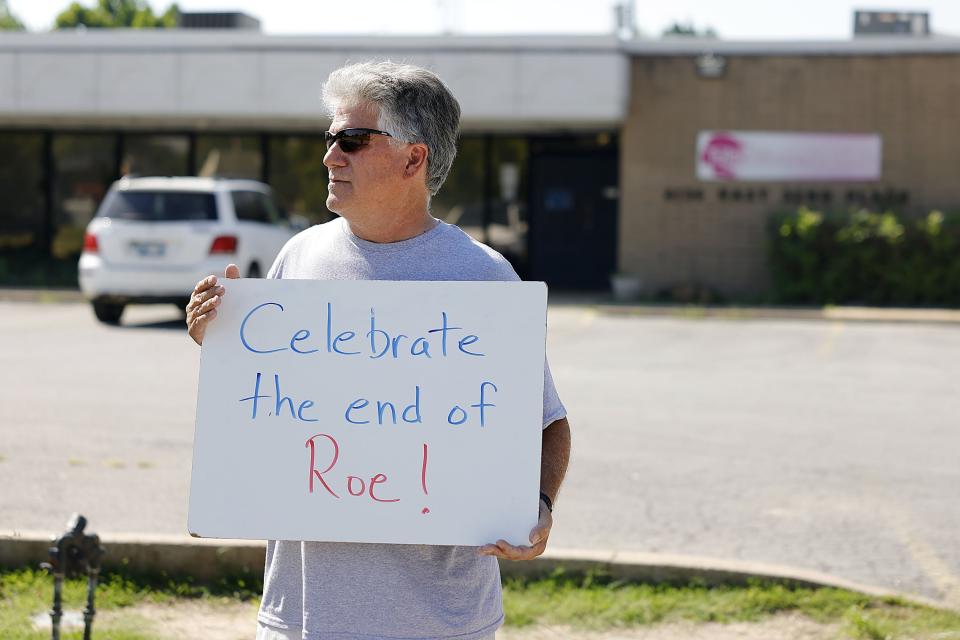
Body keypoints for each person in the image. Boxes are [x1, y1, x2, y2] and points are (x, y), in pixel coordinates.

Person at [185, 61, 571, 640]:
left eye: (353, 140)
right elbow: (270, 410)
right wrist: (220, 344)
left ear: (414, 158)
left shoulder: (484, 280)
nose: (330, 156)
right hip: (302, 617)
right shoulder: (298, 258)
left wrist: (538, 506)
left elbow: (548, 423)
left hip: (442, 622)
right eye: (331, 139)